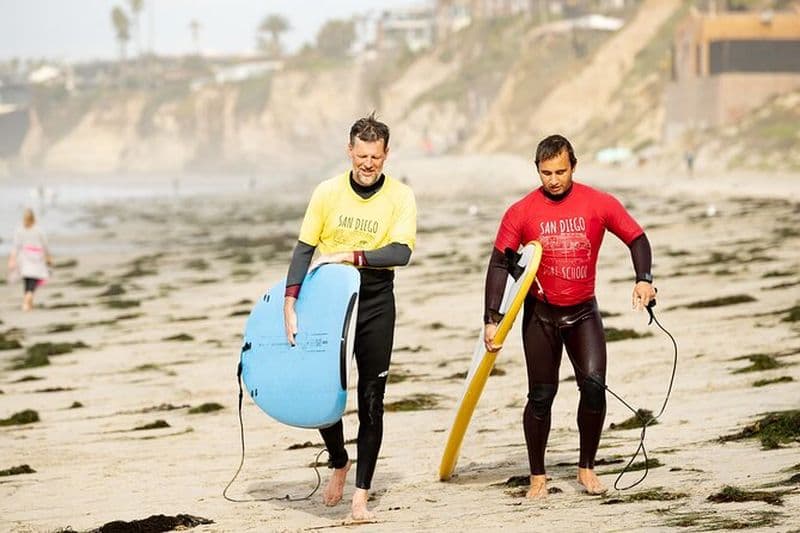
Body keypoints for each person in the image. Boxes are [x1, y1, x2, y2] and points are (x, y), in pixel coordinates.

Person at [482, 134, 656, 499]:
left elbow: (637, 238)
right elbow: (500, 263)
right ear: (537, 170)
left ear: (573, 166)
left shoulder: (598, 202)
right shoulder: (522, 211)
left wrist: (644, 280)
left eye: (561, 171)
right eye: (546, 173)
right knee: (541, 396)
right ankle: (538, 476)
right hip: (540, 316)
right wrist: (492, 318)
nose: (554, 179)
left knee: (594, 387)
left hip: (583, 313)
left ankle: (586, 468)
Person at [283, 113, 417, 520]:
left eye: (375, 157)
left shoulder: (400, 196)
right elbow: (305, 248)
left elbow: (401, 253)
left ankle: (360, 495)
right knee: (326, 393)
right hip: (329, 302)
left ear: (385, 154)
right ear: (350, 151)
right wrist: (290, 301)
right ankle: (340, 459)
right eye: (361, 156)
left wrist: (353, 255)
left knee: (371, 401)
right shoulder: (326, 192)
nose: (368, 164)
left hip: (376, 300)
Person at [7, 208, 53, 311]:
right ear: (34, 218)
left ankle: (28, 301)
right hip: (37, 257)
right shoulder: (39, 230)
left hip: (24, 257)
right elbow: (45, 245)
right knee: (34, 279)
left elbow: (15, 246)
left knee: (27, 279)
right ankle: (28, 299)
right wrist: (49, 256)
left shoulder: (19, 230)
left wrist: (12, 259)